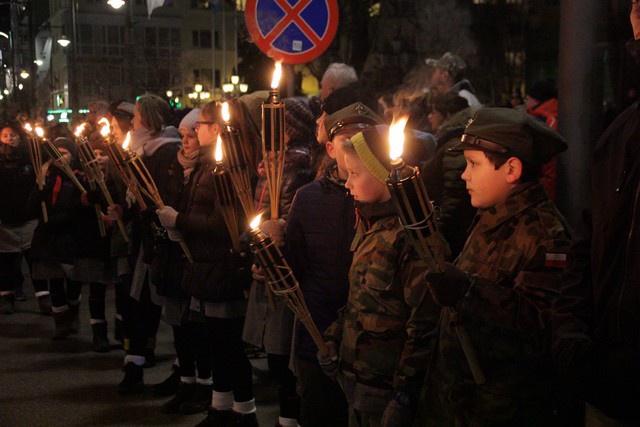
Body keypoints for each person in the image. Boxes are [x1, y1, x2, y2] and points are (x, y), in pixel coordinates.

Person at [414, 108, 572, 425]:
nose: (464, 175)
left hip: (498, 412)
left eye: (474, 164)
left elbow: (543, 330)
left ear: (511, 169)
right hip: (459, 403)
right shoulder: (494, 216)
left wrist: (468, 292)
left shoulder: (545, 236)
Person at [552, 3, 640, 424]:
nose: (636, 16)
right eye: (637, 5)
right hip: (605, 390)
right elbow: (586, 247)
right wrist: (574, 343)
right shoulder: (620, 134)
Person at [318, 124, 440, 427]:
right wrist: (334, 337)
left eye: (356, 174)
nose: (348, 184)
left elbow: (424, 321)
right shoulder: (370, 224)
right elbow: (362, 300)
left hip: (388, 388)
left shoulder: (412, 236)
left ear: (384, 176)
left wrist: (405, 395)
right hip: (359, 379)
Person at [285, 102, 383, 427]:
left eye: (364, 140)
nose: (357, 149)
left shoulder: (386, 201)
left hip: (369, 345)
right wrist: (271, 258)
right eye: (347, 142)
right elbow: (294, 266)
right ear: (329, 148)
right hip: (316, 332)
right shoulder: (308, 197)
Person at [173, 101, 257, 427]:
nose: (196, 129)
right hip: (208, 269)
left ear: (218, 128)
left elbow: (227, 226)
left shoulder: (231, 168)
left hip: (222, 270)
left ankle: (244, 414)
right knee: (217, 345)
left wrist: (179, 220)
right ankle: (221, 411)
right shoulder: (208, 165)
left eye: (201, 123)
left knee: (229, 347)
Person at [243, 97, 316, 427]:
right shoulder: (268, 165)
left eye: (277, 127)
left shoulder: (296, 168)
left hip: (283, 271)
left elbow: (287, 218)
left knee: (282, 355)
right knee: (273, 354)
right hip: (264, 265)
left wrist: (271, 254)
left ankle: (290, 419)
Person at [114, 94, 181, 394]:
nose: (134, 120)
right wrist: (122, 209)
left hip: (161, 243)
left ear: (149, 119)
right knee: (138, 304)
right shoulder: (140, 150)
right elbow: (134, 194)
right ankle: (135, 365)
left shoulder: (166, 152)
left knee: (168, 308)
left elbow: (158, 197)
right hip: (144, 242)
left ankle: (185, 373)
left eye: (138, 115)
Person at [151, 108, 214, 415]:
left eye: (191, 136)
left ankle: (205, 384)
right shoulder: (173, 167)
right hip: (173, 260)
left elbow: (207, 218)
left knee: (198, 328)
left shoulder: (209, 170)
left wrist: (180, 221)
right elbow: (162, 202)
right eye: (183, 137)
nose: (185, 143)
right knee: (179, 326)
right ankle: (186, 381)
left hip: (197, 260)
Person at [28, 137, 87, 339]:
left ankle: (73, 311)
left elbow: (81, 209)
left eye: (64, 153)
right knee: (54, 282)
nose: (59, 157)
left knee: (72, 282)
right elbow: (32, 206)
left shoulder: (79, 178)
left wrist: (63, 218)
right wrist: (39, 196)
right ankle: (60, 322)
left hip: (71, 237)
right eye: (56, 153)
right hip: (49, 238)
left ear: (72, 156)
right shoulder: (45, 175)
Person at [421, 94, 478, 258]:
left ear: (446, 115)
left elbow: (454, 195)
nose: (429, 117)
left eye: (434, 112)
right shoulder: (451, 139)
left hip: (450, 232)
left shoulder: (455, 144)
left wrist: (438, 229)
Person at [0, 122, 42, 314]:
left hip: (28, 217)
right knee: (6, 262)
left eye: (14, 135)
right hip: (5, 220)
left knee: (33, 259)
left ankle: (43, 296)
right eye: (6, 135)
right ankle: (7, 296)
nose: (10, 138)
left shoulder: (29, 157)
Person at [525, 80, 560, 201]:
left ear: (535, 99)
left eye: (527, 99)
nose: (525, 103)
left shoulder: (544, 121)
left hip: (543, 185)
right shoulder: (554, 116)